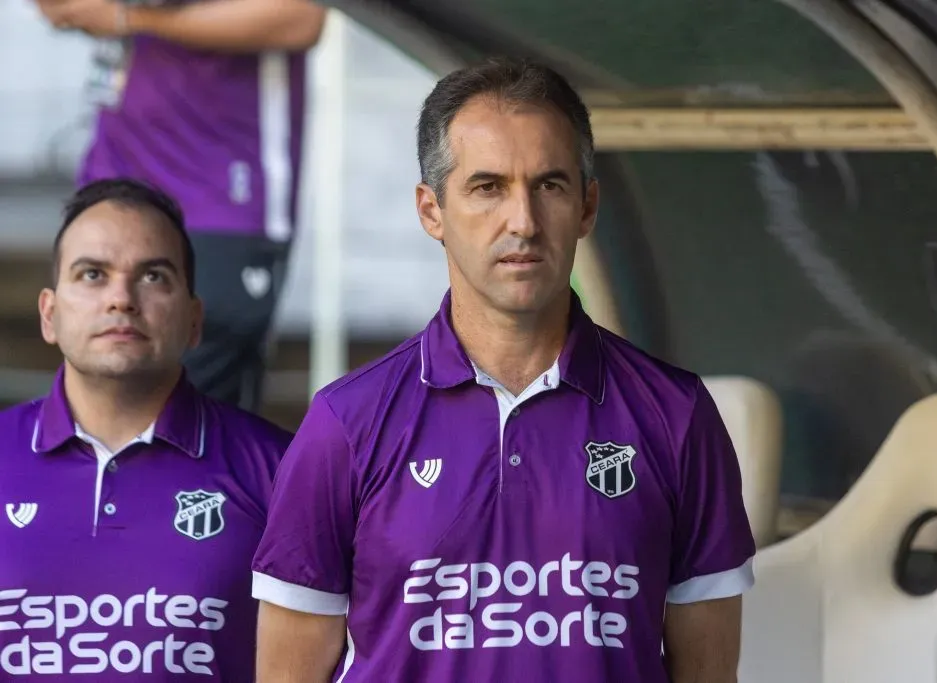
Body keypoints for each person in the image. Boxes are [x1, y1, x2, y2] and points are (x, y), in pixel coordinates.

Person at [250, 58, 756, 683]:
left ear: (588, 205)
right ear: (431, 210)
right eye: (488, 187)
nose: (522, 221)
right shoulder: (344, 423)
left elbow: (708, 671)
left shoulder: (677, 416)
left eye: (549, 185)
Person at [0, 178, 292, 680]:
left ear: (194, 319)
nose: (122, 299)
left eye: (153, 277)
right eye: (92, 274)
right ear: (50, 314)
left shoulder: (283, 469)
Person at [33, 0, 327, 411]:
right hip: (111, 184)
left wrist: (129, 17)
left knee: (191, 432)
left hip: (218, 203)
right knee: (98, 416)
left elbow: (299, 17)